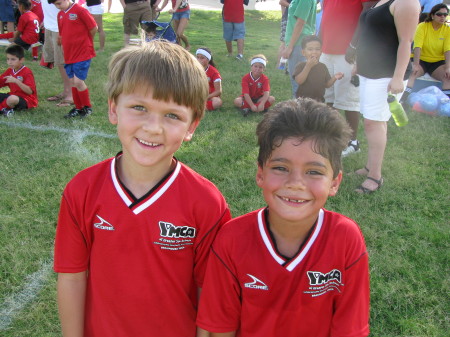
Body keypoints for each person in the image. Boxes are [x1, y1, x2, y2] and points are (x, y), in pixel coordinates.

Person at [53, 41, 231, 337]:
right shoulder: (82, 190)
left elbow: (209, 293)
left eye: (172, 115)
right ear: (113, 109)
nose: (153, 127)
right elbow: (71, 277)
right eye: (139, 108)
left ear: (192, 126)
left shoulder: (207, 202)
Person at [197, 98, 370, 337]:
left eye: (314, 172)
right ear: (260, 174)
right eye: (280, 168)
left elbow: (350, 329)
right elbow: (220, 326)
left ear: (335, 182)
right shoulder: (232, 239)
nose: (295, 184)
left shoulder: (346, 238)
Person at [351, 0, 420, 193]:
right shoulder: (381, 1)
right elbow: (372, 35)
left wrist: (398, 77)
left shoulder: (406, 2)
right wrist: (359, 64)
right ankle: (369, 167)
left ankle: (375, 176)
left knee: (375, 123)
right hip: (369, 72)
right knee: (370, 121)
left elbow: (406, 42)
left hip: (386, 74)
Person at [320, 0, 377, 157]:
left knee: (348, 99)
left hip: (347, 51)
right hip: (326, 50)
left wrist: (353, 45)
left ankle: (353, 142)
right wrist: (318, 43)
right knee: (328, 96)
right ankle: (331, 136)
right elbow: (325, 17)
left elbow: (366, 14)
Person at [49, 0, 97, 118]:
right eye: (55, 4)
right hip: (69, 54)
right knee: (71, 82)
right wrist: (61, 40)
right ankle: (78, 107)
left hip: (82, 52)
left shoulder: (80, 11)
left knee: (78, 81)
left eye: (59, 3)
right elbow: (62, 32)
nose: (57, 6)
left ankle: (87, 107)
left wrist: (85, 41)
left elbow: (93, 27)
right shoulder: (60, 14)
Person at [401, 3, 450, 103]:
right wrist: (415, 64)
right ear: (432, 15)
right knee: (411, 73)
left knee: (448, 76)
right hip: (420, 60)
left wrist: (448, 67)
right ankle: (402, 101)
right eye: (439, 14)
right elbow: (417, 46)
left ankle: (445, 106)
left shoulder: (447, 29)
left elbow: (447, 50)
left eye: (445, 15)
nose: (442, 17)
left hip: (437, 62)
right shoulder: (422, 26)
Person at [41, 0, 73, 106]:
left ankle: (71, 95)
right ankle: (66, 91)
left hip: (59, 27)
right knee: (59, 62)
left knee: (65, 62)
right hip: (49, 25)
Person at [293, 35, 344, 102]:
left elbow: (327, 84)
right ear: (303, 52)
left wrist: (335, 77)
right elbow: (299, 81)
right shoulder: (301, 65)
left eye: (317, 49)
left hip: (319, 101)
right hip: (303, 101)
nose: (314, 52)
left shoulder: (323, 67)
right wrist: (308, 66)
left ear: (321, 52)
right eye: (310, 49)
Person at [282, 0, 316, 97]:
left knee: (298, 83)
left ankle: (299, 110)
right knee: (297, 83)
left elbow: (300, 23)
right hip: (297, 43)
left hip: (299, 44)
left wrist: (290, 47)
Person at [0, 45, 38, 116]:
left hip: (27, 100)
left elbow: (29, 91)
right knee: (10, 97)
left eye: (13, 59)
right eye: (8, 59)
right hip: (12, 95)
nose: (9, 62)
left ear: (21, 60)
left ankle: (2, 109)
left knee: (12, 99)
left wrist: (16, 81)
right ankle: (5, 110)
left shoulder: (27, 72)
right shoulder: (9, 70)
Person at [277, 0, 291, 67]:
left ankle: (290, 66)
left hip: (301, 19)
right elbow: (282, 2)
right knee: (284, 42)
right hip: (288, 19)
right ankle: (280, 65)